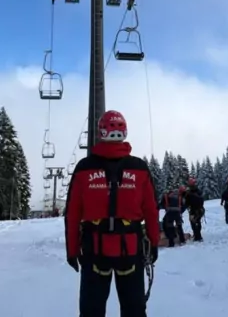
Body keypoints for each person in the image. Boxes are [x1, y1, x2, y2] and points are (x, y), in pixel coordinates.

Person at [64, 110, 160, 317]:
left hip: (94, 251)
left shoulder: (84, 168)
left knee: (92, 310)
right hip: (130, 250)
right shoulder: (139, 168)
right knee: (134, 309)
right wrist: (153, 242)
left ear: (101, 132)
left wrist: (72, 250)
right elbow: (151, 210)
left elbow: (72, 213)